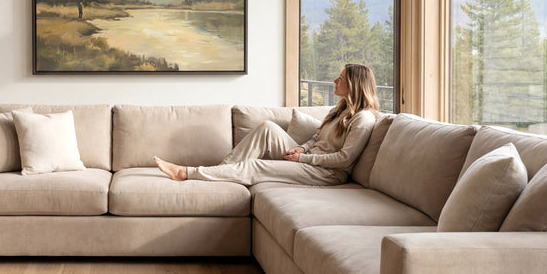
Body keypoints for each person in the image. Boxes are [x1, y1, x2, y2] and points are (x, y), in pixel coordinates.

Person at [154, 63, 380, 186]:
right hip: (311, 160)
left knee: (255, 166)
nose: (335, 81)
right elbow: (317, 138)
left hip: (327, 173)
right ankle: (220, 172)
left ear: (353, 84)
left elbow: (344, 160)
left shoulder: (363, 119)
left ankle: (187, 173)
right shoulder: (338, 109)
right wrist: (302, 148)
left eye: (340, 78)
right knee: (267, 128)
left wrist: (303, 158)